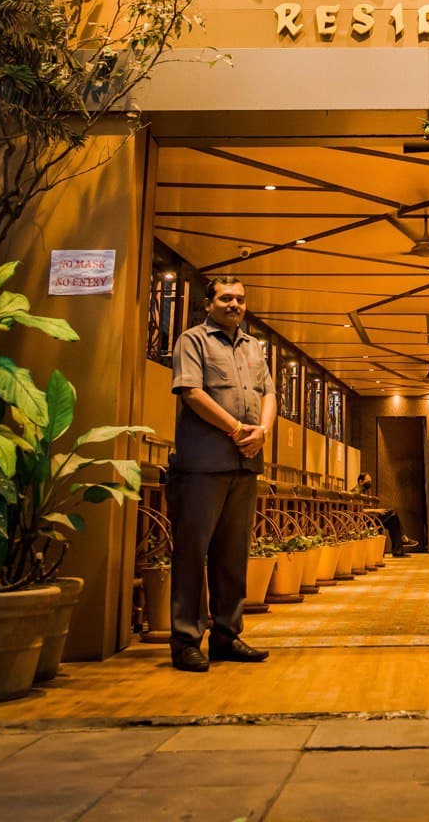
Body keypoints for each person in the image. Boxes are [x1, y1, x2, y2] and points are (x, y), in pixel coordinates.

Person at [167, 277, 277, 672]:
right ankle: (186, 641)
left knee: (233, 555)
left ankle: (227, 636)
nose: (235, 305)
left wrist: (262, 431)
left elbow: (269, 393)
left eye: (240, 299)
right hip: (202, 465)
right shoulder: (192, 341)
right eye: (226, 298)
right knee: (192, 553)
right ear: (208, 303)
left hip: (245, 466)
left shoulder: (253, 347)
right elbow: (192, 393)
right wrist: (237, 430)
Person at [352, 473, 418, 557]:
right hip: (365, 521)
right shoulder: (356, 492)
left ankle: (398, 550)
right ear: (360, 481)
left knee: (393, 519)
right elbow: (358, 511)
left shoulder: (363, 491)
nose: (369, 483)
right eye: (367, 481)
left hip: (370, 518)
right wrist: (376, 510)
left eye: (370, 481)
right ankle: (403, 539)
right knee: (392, 512)